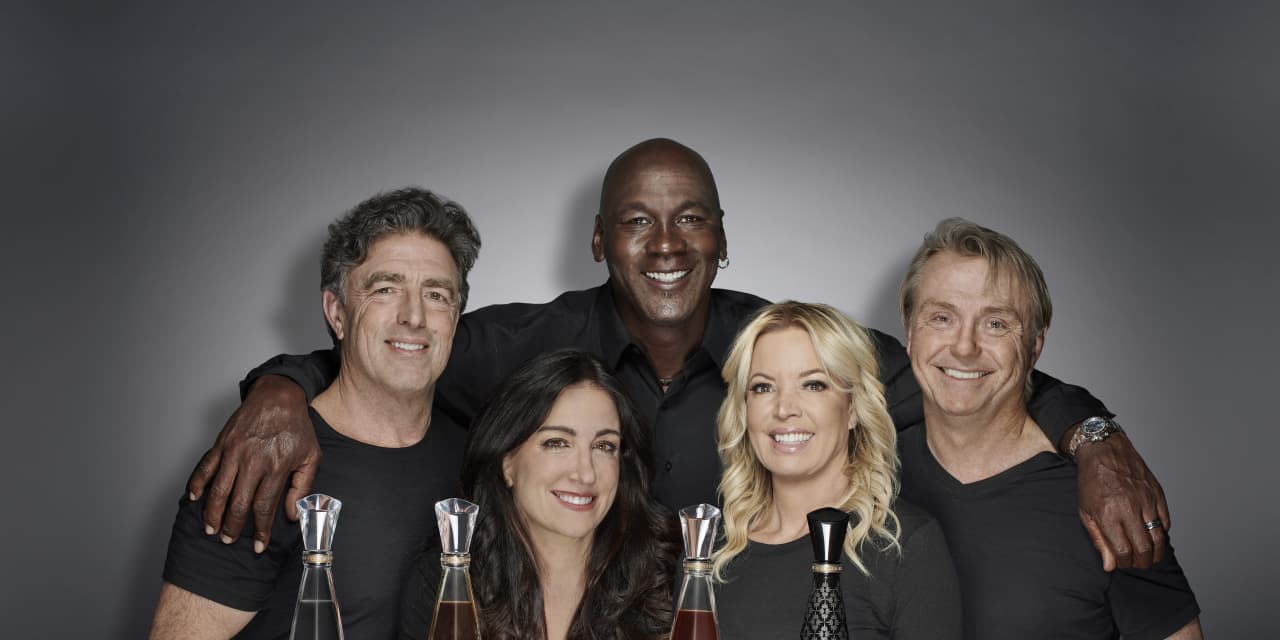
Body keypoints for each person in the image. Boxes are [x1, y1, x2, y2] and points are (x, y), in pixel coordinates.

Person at [189, 138, 1168, 573]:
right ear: (599, 241)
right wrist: (276, 391)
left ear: (721, 238)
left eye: (690, 218)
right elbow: (389, 352)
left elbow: (967, 373)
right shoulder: (520, 347)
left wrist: (1093, 436)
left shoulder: (788, 346)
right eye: (636, 221)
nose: (665, 243)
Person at [148, 188, 479, 639]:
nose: (414, 316)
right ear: (336, 313)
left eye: (437, 295)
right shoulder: (265, 461)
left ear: (455, 318)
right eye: (385, 289)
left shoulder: (478, 458)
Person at [896, 218, 1201, 639]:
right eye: (942, 317)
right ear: (910, 332)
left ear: (1035, 345)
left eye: (996, 323)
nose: (964, 347)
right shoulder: (864, 476)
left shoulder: (1106, 500)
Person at [711, 302, 960, 639]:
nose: (784, 409)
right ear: (743, 408)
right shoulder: (711, 551)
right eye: (763, 387)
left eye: (814, 385)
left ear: (853, 408)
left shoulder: (905, 547)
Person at [398, 350, 675, 640]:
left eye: (604, 446)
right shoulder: (446, 584)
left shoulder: (668, 579)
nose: (586, 474)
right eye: (557, 443)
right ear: (507, 461)